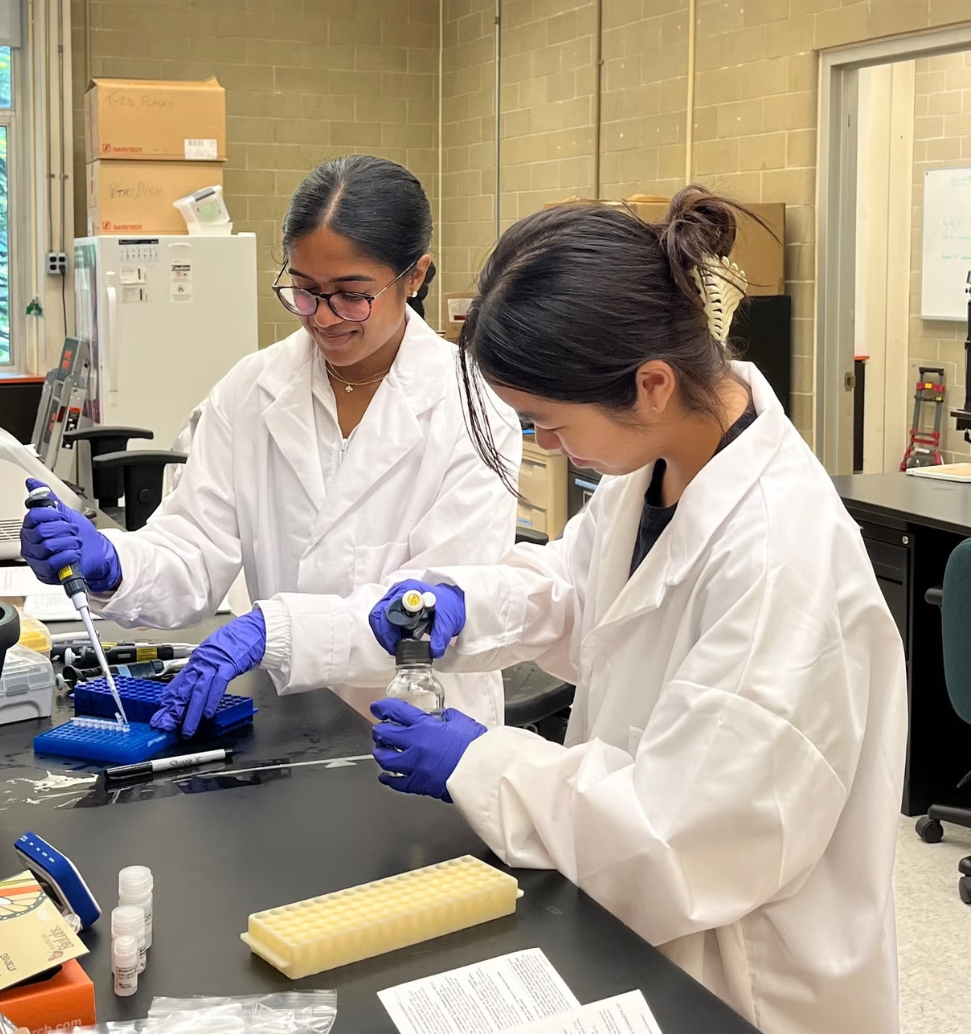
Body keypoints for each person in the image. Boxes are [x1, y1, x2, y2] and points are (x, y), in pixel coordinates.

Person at [362, 190, 907, 1034]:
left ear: (650, 384)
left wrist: (481, 762)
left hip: (743, 978)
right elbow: (587, 602)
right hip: (642, 933)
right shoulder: (651, 468)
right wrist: (468, 604)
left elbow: (681, 836)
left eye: (548, 420)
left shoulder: (779, 559)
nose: (544, 443)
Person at [20, 155, 520, 735]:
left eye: (352, 295)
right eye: (304, 292)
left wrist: (274, 630)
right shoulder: (252, 390)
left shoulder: (474, 405)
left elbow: (432, 608)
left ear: (415, 275)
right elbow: (195, 551)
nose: (324, 318)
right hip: (288, 720)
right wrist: (112, 564)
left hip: (426, 728)